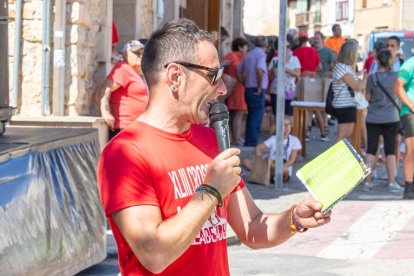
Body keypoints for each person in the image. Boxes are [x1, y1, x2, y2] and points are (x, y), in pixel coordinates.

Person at [97, 18, 332, 275]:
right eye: (213, 75)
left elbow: (252, 227)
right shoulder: (125, 153)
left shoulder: (210, 140)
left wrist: (294, 219)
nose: (221, 88)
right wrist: (210, 191)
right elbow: (154, 254)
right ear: (175, 76)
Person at [363, 50, 402, 193]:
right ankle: (392, 182)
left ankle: (367, 182)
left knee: (371, 149)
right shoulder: (396, 77)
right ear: (391, 61)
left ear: (377, 61)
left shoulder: (372, 78)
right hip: (391, 117)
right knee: (390, 149)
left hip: (373, 117)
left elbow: (367, 97)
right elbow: (399, 95)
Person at [100, 40, 149, 140]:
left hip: (135, 127)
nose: (139, 55)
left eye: (141, 52)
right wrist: (105, 112)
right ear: (126, 54)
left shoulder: (135, 72)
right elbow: (105, 89)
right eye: (135, 52)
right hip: (124, 128)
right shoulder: (123, 68)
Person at [293, 32, 328, 142]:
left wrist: (305, 73)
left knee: (304, 109)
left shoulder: (296, 53)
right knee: (316, 109)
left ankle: (306, 133)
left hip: (301, 82)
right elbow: (320, 66)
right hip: (313, 82)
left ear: (299, 40)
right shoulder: (313, 51)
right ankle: (323, 134)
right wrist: (312, 72)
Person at [243, 118, 302, 182]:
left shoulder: (294, 140)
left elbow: (292, 161)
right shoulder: (274, 138)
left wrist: (279, 167)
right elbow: (258, 148)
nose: (287, 127)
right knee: (246, 162)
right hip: (270, 165)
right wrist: (261, 159)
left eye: (289, 125)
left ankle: (263, 175)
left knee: (285, 170)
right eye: (284, 125)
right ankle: (266, 175)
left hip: (283, 167)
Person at [331, 40, 367, 141]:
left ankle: (341, 155)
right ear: (350, 53)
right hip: (343, 105)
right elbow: (357, 87)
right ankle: (336, 156)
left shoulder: (346, 67)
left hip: (348, 104)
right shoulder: (341, 67)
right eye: (356, 52)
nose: (358, 54)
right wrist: (365, 78)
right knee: (343, 135)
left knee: (346, 135)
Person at [237, 36, 269, 146]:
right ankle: (252, 142)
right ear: (265, 45)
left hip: (249, 88)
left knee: (251, 115)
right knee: (256, 116)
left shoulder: (249, 55)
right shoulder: (261, 55)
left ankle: (249, 141)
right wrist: (259, 87)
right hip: (256, 89)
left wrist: (244, 83)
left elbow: (239, 71)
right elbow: (259, 69)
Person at [393, 56, 414, 199]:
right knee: (411, 150)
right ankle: (408, 188)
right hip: (410, 113)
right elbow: (397, 86)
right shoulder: (411, 63)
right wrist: (411, 105)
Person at [222, 37, 249, 146]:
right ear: (240, 47)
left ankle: (234, 138)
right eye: (245, 47)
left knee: (234, 115)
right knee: (238, 114)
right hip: (238, 88)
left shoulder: (228, 56)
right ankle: (237, 139)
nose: (246, 49)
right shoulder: (237, 58)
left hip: (231, 89)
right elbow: (240, 72)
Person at [268, 42, 301, 120]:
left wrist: (286, 69)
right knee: (276, 113)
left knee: (288, 114)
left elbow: (298, 74)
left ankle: (287, 131)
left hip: (289, 90)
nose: (284, 49)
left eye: (287, 47)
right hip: (276, 90)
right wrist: (273, 71)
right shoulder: (275, 60)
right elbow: (271, 75)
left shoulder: (294, 59)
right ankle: (276, 131)